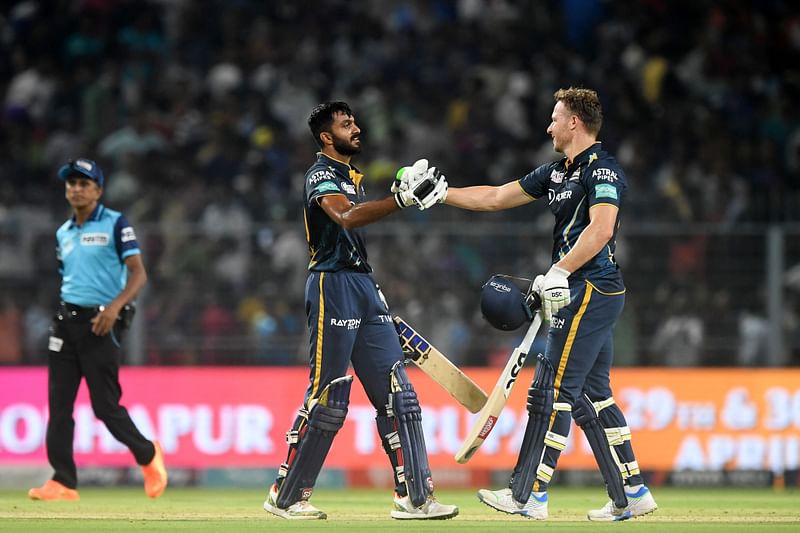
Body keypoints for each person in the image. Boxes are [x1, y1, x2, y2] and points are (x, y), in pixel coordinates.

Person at [440, 88, 657, 521]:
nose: (549, 126)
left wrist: (558, 271)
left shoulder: (603, 170)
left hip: (591, 288)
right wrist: (441, 193)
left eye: (555, 118)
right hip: (578, 289)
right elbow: (497, 197)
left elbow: (601, 230)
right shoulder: (558, 172)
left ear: (575, 122)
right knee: (592, 396)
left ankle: (528, 495)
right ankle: (631, 492)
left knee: (551, 391)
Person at [262, 101, 456, 521]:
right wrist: (399, 201)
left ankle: (416, 497)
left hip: (363, 285)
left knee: (399, 393)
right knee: (329, 394)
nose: (356, 128)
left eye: (354, 121)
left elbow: (355, 223)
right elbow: (346, 218)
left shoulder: (352, 177)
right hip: (332, 284)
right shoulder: (320, 174)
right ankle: (287, 494)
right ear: (326, 137)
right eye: (346, 124)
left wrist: (373, 286)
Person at [28, 158, 167, 501]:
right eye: (71, 184)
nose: (76, 189)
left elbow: (138, 273)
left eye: (84, 184)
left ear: (98, 190)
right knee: (59, 405)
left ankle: (148, 455)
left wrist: (115, 308)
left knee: (105, 406)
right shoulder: (63, 233)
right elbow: (69, 278)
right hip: (66, 323)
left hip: (101, 323)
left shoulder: (115, 223)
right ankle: (62, 480)